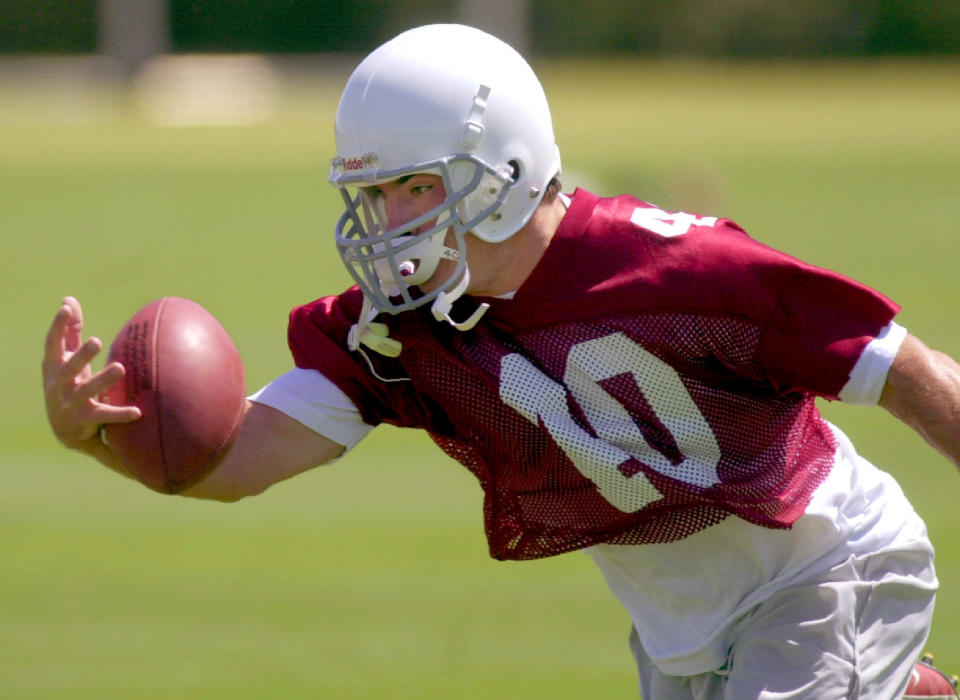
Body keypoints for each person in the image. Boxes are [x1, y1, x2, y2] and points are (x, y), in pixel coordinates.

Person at [43, 23, 960, 699]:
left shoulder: (679, 270)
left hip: (825, 565)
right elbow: (235, 463)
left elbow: (905, 368)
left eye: (414, 187)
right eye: (375, 193)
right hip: (681, 629)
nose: (391, 222)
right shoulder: (404, 332)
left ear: (505, 167)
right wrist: (99, 438)